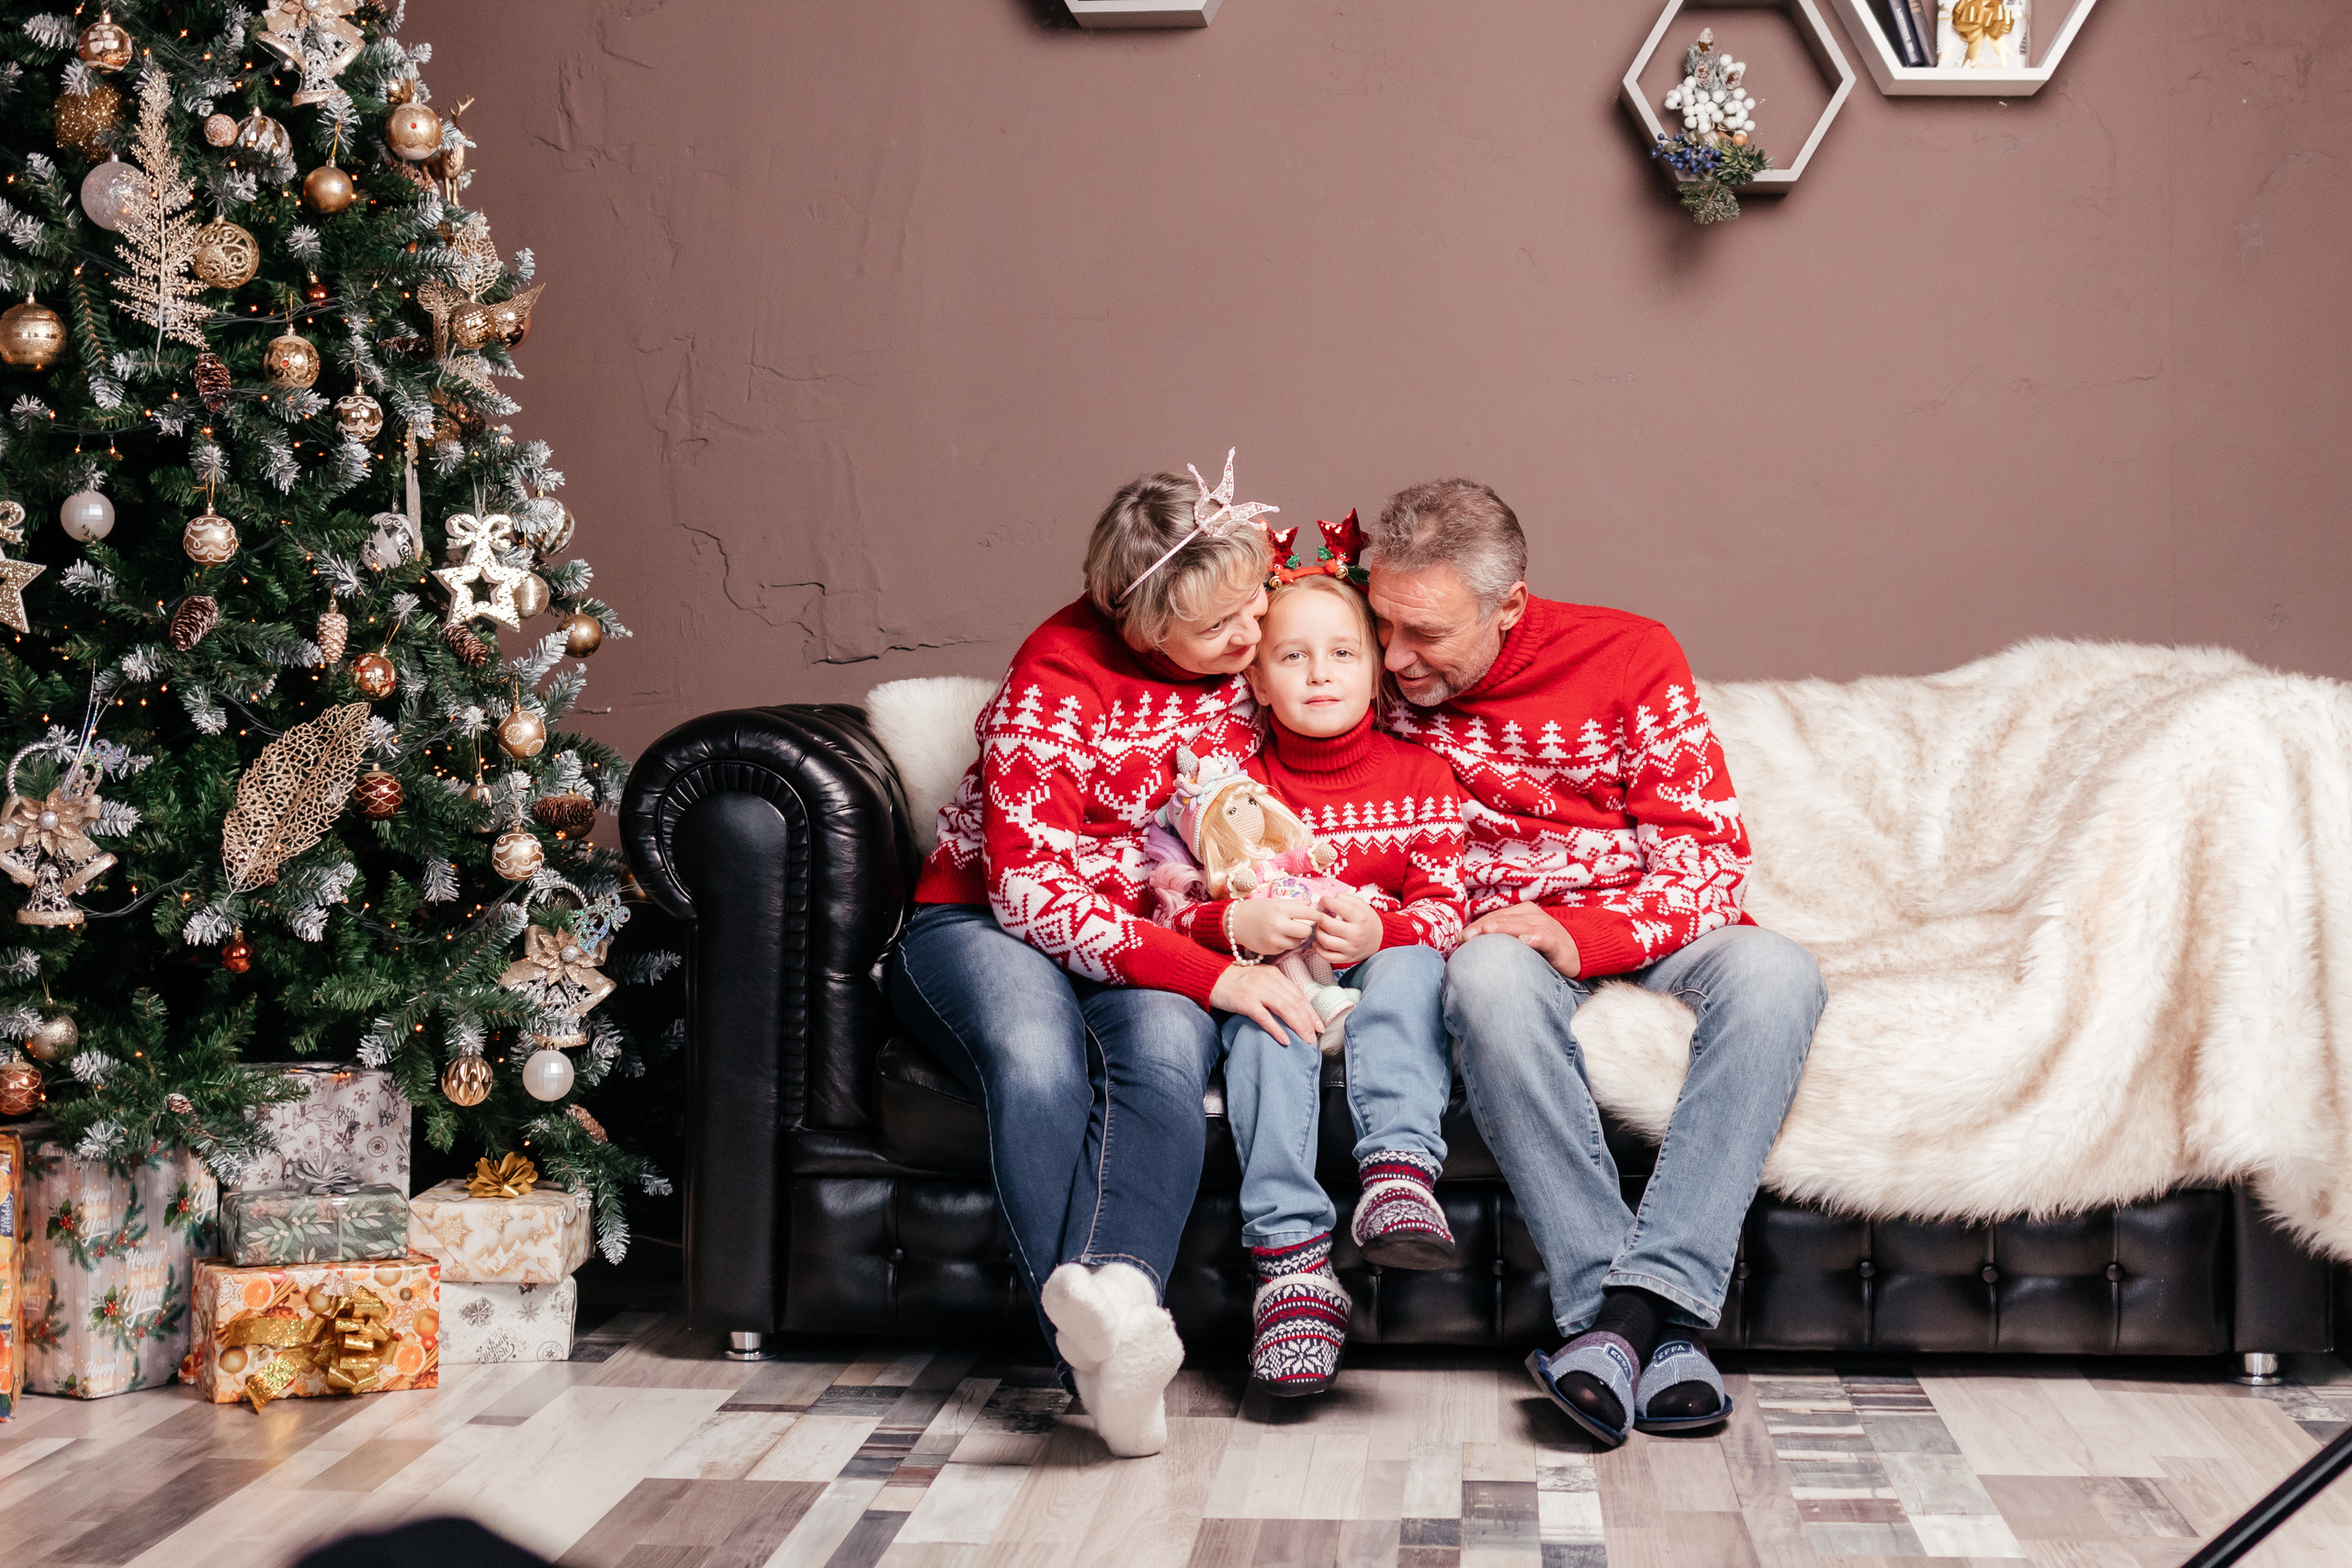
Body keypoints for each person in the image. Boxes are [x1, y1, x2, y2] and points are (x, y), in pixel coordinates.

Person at [1361, 479, 1826, 1448]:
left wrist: (1586, 935)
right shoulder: (1356, 660)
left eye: (1427, 635)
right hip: (1490, 934)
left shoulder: (1630, 653)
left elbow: (1705, 858)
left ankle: (1630, 1318)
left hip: (1636, 915)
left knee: (1780, 973)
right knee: (1484, 981)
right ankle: (1638, 1327)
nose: (1394, 658)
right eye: (1383, 624)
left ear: (1511, 607)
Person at [889, 453, 1327, 1459]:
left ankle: (1120, 1302)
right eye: (1219, 628)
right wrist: (1216, 971)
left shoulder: (1240, 665)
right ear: (1140, 624)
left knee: (1168, 1061)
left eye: (1254, 604)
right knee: (1039, 1065)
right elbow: (1029, 892)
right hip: (983, 923)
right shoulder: (1057, 675)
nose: (1250, 636)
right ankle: (1099, 1366)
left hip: (1156, 931)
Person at [1152, 525, 1466, 1397]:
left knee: (1410, 966)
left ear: (1377, 669)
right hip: (1284, 989)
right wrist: (1238, 925)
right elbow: (1170, 896)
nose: (1320, 673)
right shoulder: (1228, 789)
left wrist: (1379, 931)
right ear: (1255, 676)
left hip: (1376, 985)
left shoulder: (1421, 776)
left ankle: (1398, 1175)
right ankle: (1292, 1271)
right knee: (1260, 1016)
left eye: (1342, 653)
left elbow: (1449, 906)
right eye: (1292, 655)